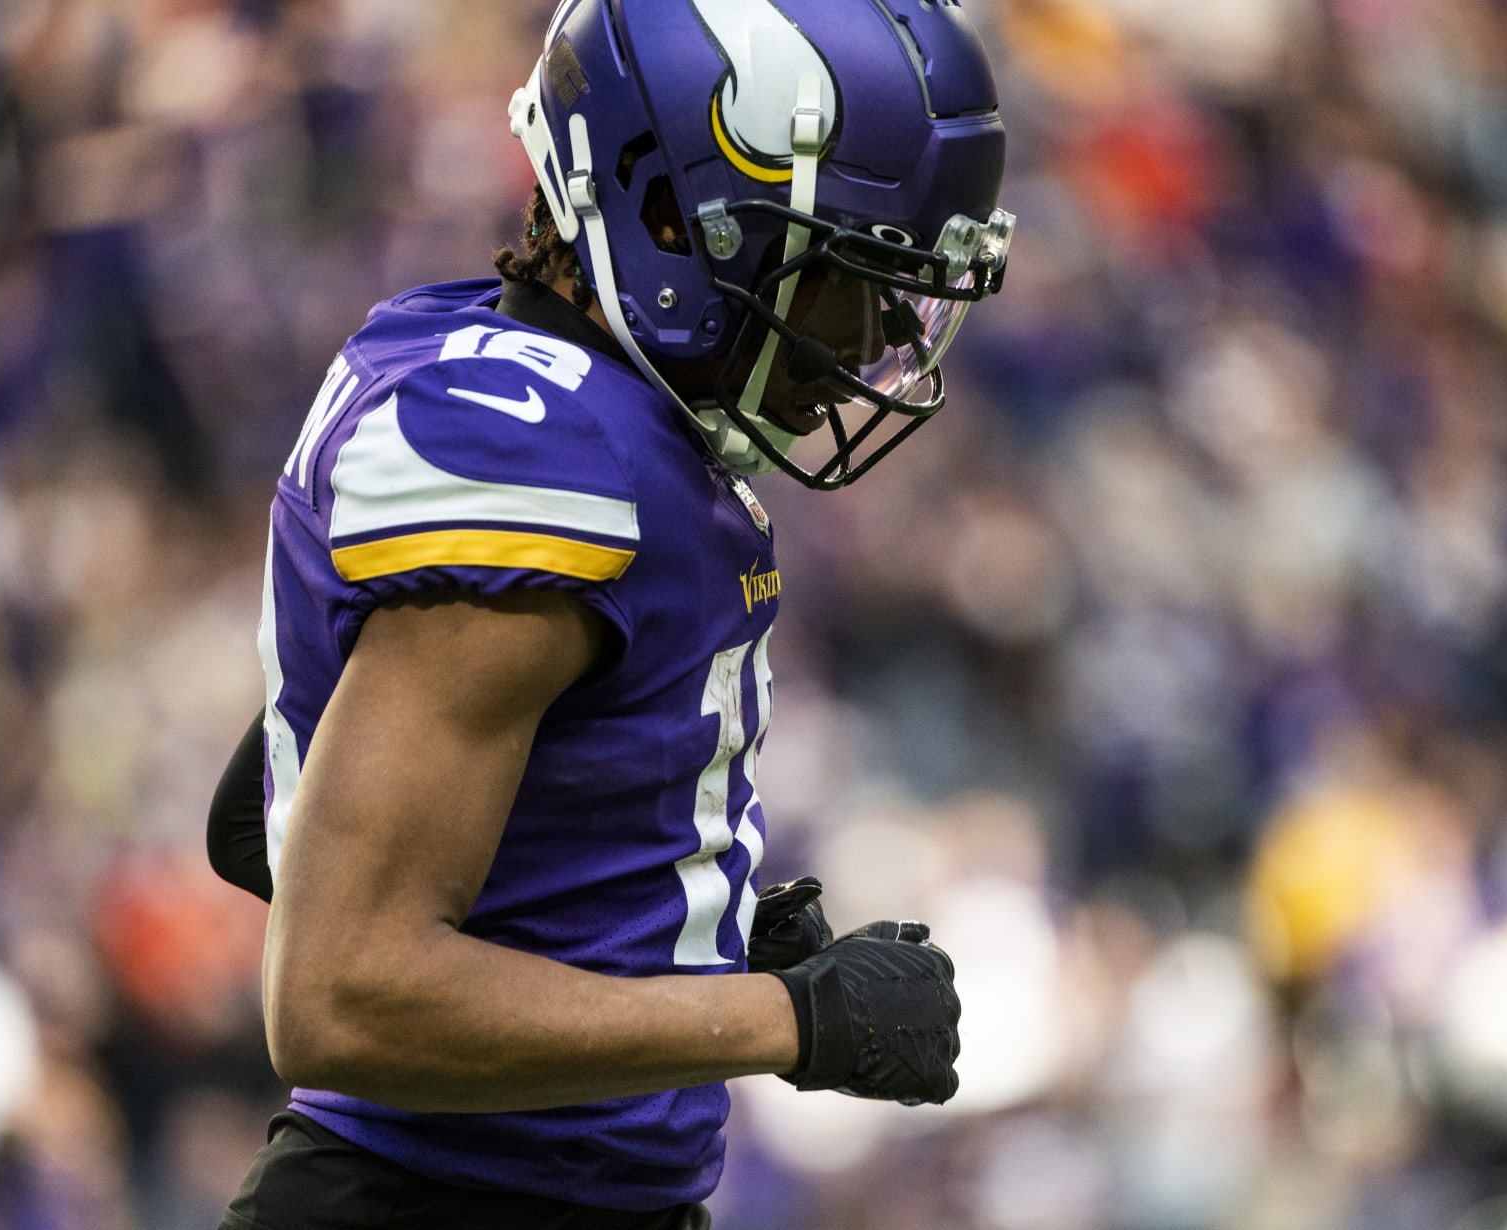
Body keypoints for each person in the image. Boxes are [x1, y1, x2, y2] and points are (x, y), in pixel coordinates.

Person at [209, 0, 1014, 1225]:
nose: (881, 333)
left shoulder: (559, 399)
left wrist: (688, 936)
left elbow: (293, 812)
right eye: (847, 274)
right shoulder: (543, 456)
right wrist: (790, 1022)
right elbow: (341, 991)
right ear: (671, 219)